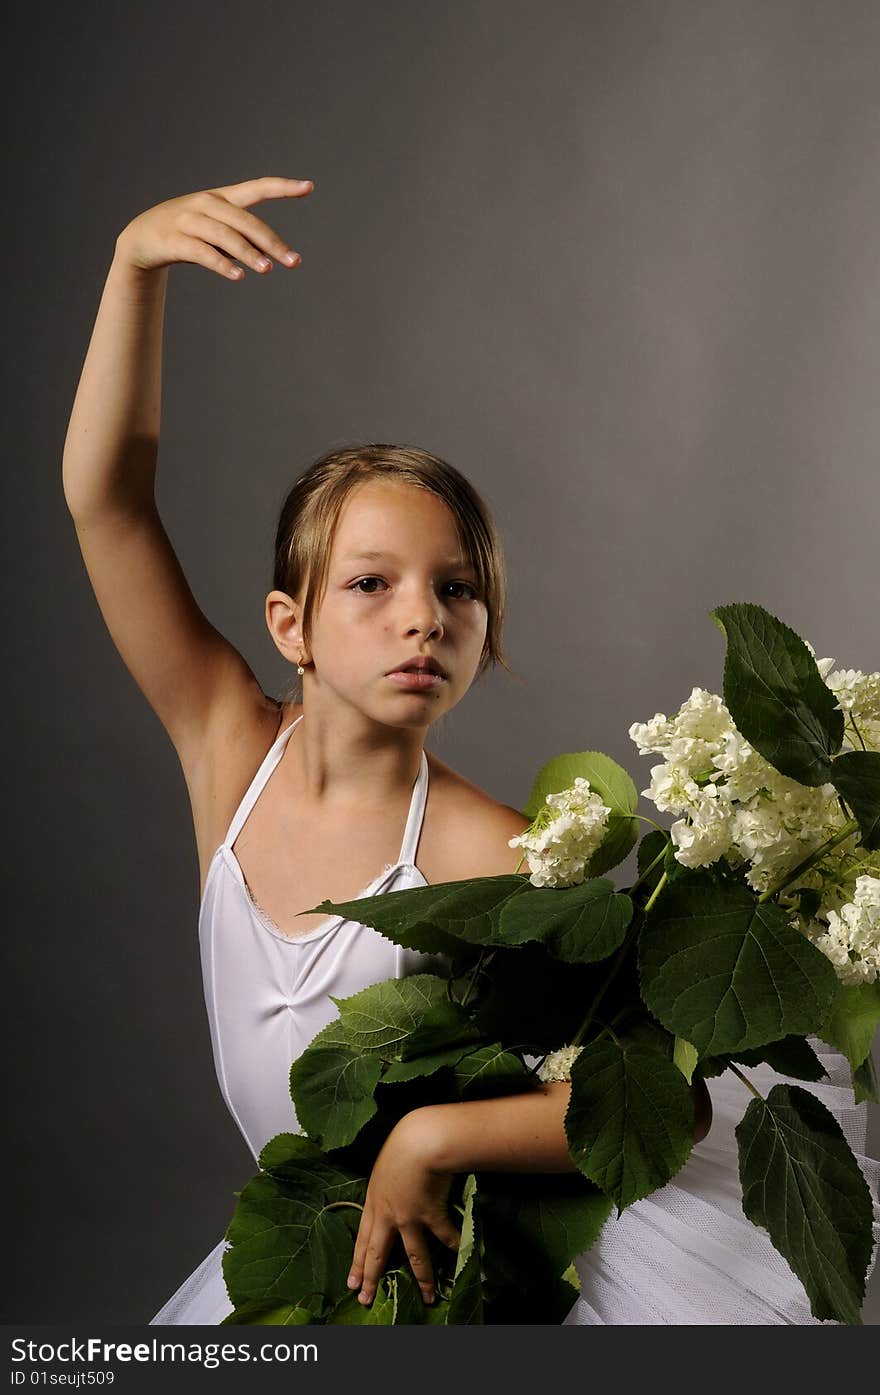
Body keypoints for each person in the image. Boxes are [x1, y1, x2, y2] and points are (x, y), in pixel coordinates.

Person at [63, 176, 876, 1327]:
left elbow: (660, 1103)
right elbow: (107, 504)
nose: (422, 618)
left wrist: (434, 1139)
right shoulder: (224, 747)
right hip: (328, 1252)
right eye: (370, 585)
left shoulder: (488, 847)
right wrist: (132, 267)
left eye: (457, 591)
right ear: (288, 624)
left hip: (460, 1261)